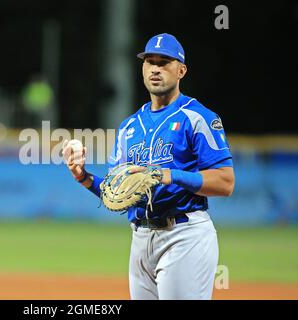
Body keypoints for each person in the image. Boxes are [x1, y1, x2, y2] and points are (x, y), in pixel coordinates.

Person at [62, 33, 235, 300]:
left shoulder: (198, 117)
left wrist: (167, 175)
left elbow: (225, 182)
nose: (155, 68)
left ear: (181, 70)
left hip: (184, 235)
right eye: (149, 61)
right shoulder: (129, 127)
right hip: (140, 240)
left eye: (164, 62)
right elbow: (116, 194)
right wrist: (84, 177)